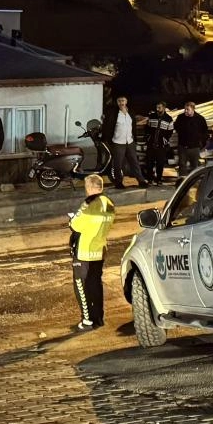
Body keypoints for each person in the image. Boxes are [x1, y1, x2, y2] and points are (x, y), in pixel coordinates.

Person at [69, 174, 116, 332]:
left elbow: (75, 225)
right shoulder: (109, 203)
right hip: (99, 249)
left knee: (81, 286)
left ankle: (87, 320)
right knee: (96, 284)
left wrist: (72, 219)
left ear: (89, 187)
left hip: (84, 251)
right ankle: (98, 318)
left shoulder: (89, 203)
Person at [108, 96, 141, 188]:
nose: (121, 103)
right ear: (117, 102)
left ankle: (141, 181)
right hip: (118, 142)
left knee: (134, 162)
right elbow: (108, 127)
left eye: (123, 100)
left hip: (129, 141)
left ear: (126, 101)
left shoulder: (130, 112)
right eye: (119, 101)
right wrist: (109, 141)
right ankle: (118, 183)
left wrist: (134, 138)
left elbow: (133, 126)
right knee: (118, 164)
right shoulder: (114, 113)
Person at [173, 101, 210, 179]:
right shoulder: (180, 117)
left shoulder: (200, 119)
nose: (185, 111)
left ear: (193, 109)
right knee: (182, 165)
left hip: (194, 147)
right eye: (185, 109)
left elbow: (205, 133)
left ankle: (193, 181)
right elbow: (176, 127)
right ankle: (182, 181)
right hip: (182, 146)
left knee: (194, 166)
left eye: (188, 109)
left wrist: (201, 144)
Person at [144, 104, 173, 185]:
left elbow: (170, 131)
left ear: (164, 108)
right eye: (157, 107)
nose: (157, 109)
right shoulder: (152, 116)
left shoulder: (169, 119)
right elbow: (147, 128)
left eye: (159, 107)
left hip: (161, 145)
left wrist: (165, 140)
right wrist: (148, 138)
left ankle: (158, 180)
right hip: (151, 143)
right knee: (149, 162)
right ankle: (150, 179)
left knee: (160, 163)